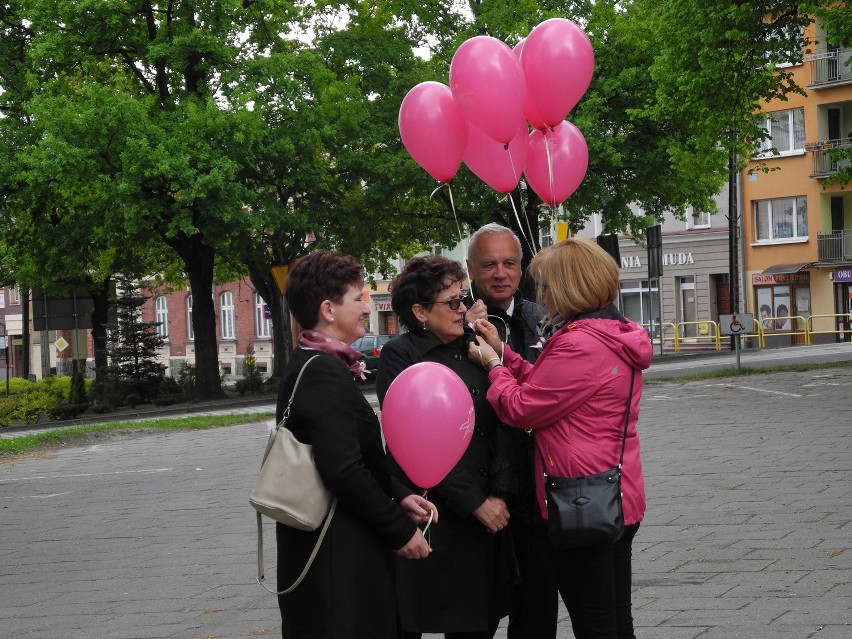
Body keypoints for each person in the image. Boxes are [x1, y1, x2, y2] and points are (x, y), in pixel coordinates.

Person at [468, 238, 652, 639]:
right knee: (617, 620)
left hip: (581, 497)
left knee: (596, 626)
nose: (543, 295)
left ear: (569, 287)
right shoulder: (609, 333)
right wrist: (508, 354)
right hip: (616, 491)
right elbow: (548, 385)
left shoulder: (578, 344)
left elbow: (521, 408)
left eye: (547, 285)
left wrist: (494, 365)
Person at [274, 250, 436, 639]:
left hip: (332, 547)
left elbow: (344, 455)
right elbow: (342, 469)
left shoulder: (314, 360)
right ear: (328, 310)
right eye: (358, 298)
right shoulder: (324, 373)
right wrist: (399, 530)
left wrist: (397, 494)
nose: (367, 307)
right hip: (337, 557)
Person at [377, 255, 515, 639]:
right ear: (420, 311)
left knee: (478, 623)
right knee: (417, 619)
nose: (462, 309)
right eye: (452, 302)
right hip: (434, 513)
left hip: (486, 516)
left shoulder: (474, 347)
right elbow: (418, 439)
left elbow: (503, 422)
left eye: (463, 298)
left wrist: (500, 494)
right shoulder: (401, 357)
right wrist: (475, 502)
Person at [462, 223, 557, 639]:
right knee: (477, 614)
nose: (500, 273)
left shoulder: (545, 319)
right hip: (483, 492)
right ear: (470, 270)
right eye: (489, 264)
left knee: (536, 608)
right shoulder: (455, 322)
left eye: (510, 263)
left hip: (538, 486)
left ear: (523, 270)